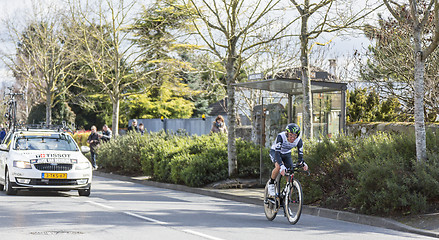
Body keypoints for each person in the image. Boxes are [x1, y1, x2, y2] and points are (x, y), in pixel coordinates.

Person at [267, 123, 308, 196]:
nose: (292, 138)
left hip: (286, 154)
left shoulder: (298, 140)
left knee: (290, 176)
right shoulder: (281, 136)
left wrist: (302, 163)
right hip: (276, 152)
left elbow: (300, 154)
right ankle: (271, 183)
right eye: (290, 135)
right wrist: (281, 165)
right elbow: (277, 153)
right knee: (278, 166)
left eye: (294, 136)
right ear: (287, 134)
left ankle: (287, 198)